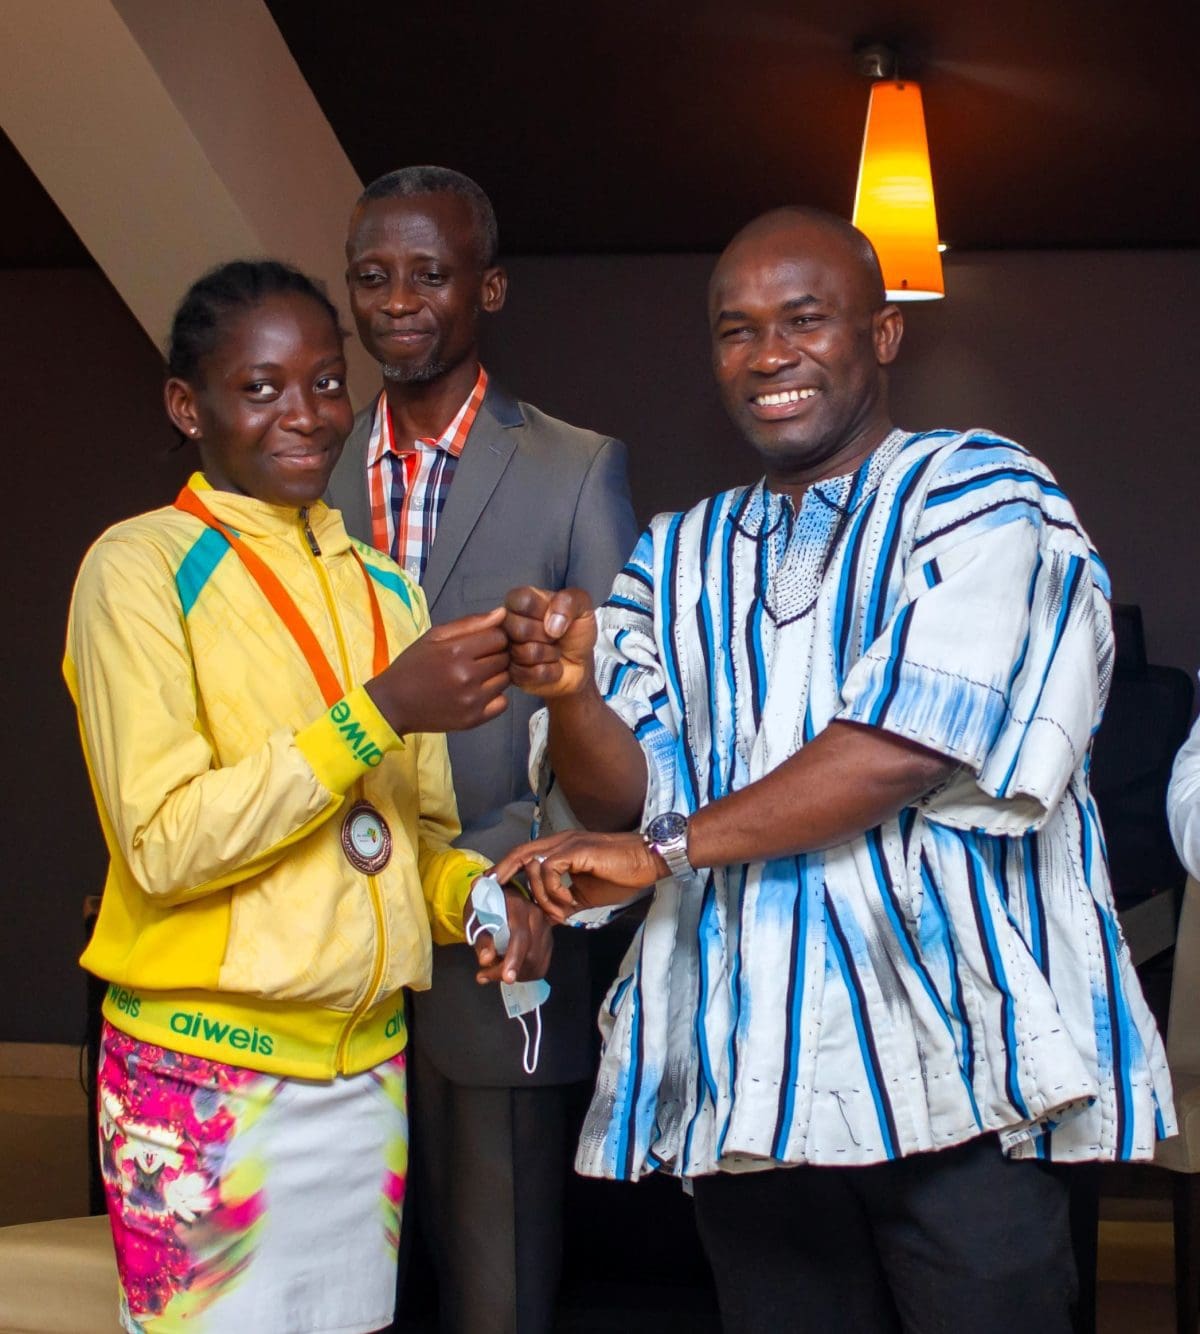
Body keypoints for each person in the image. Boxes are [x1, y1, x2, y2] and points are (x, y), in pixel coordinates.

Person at [493, 208, 1176, 1334]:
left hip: (957, 1077)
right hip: (746, 1077)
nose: (769, 355)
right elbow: (624, 797)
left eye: (804, 320)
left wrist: (665, 849)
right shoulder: (675, 553)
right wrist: (572, 696)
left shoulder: (979, 490)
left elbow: (907, 746)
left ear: (883, 334)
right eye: (737, 330)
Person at [66, 260, 549, 1334]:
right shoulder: (136, 570)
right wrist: (376, 711)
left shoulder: (388, 588)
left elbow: (409, 840)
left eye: (327, 383)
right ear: (187, 405)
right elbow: (164, 844)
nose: (306, 413)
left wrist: (481, 898)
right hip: (199, 1084)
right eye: (261, 387)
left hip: (367, 1079)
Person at [326, 166, 637, 1334]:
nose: (399, 299)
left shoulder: (576, 466)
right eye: (372, 276)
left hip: (503, 928)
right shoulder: (303, 465)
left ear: (488, 288)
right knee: (331, 1280)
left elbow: (614, 709)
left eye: (430, 273)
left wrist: (540, 881)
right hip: (325, 936)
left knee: (497, 1288)